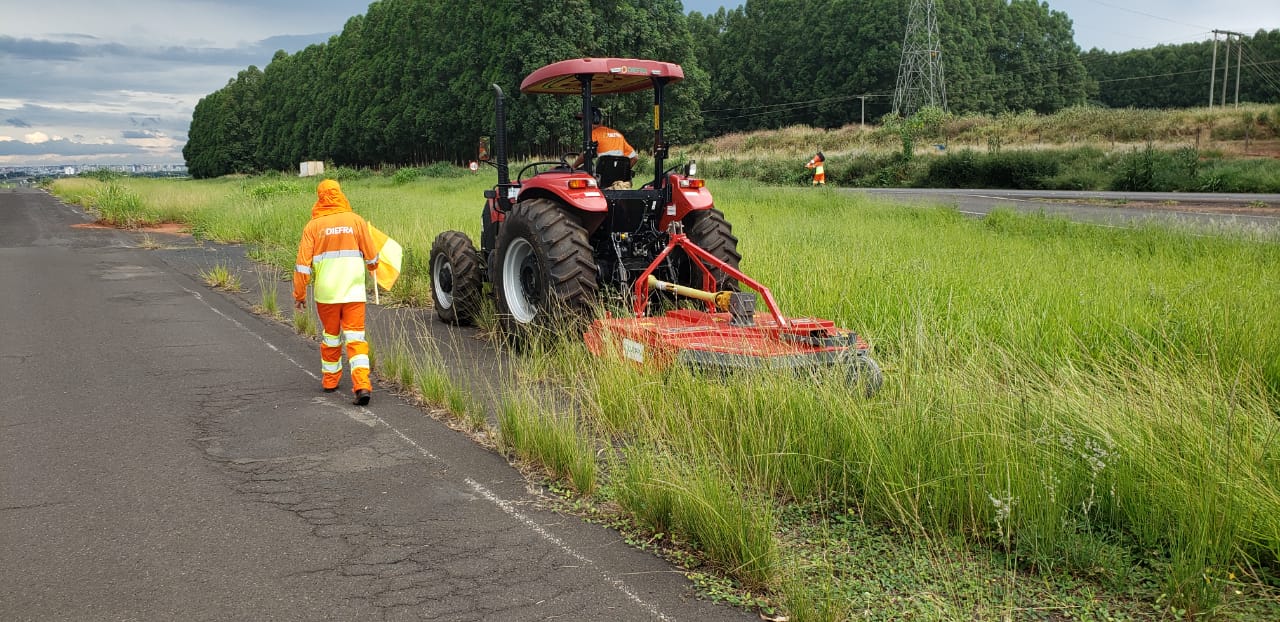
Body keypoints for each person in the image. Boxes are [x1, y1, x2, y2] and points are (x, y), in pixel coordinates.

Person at [293, 179, 380, 406]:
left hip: (326, 295)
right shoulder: (356, 221)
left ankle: (330, 381)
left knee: (331, 337)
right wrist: (372, 267)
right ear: (340, 194)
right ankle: (362, 385)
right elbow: (372, 258)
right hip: (354, 293)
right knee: (356, 339)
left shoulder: (313, 226)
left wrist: (299, 295)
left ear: (320, 197)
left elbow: (302, 265)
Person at [572, 106, 638, 174]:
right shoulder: (617, 134)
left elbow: (586, 154)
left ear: (594, 119)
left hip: (602, 179)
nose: (581, 123)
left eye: (583, 120)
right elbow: (634, 157)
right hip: (619, 180)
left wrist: (573, 166)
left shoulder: (593, 134)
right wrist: (623, 173)